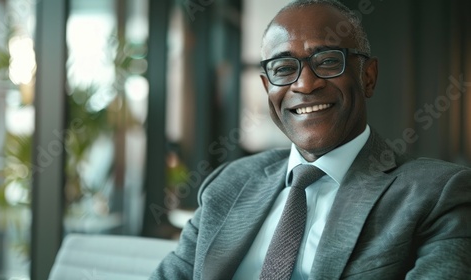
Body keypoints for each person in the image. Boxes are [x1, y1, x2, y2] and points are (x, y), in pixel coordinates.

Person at [151, 0, 471, 279]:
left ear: (368, 77)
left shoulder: (440, 194)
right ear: (267, 88)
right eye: (283, 68)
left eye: (328, 61)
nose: (304, 84)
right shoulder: (227, 184)